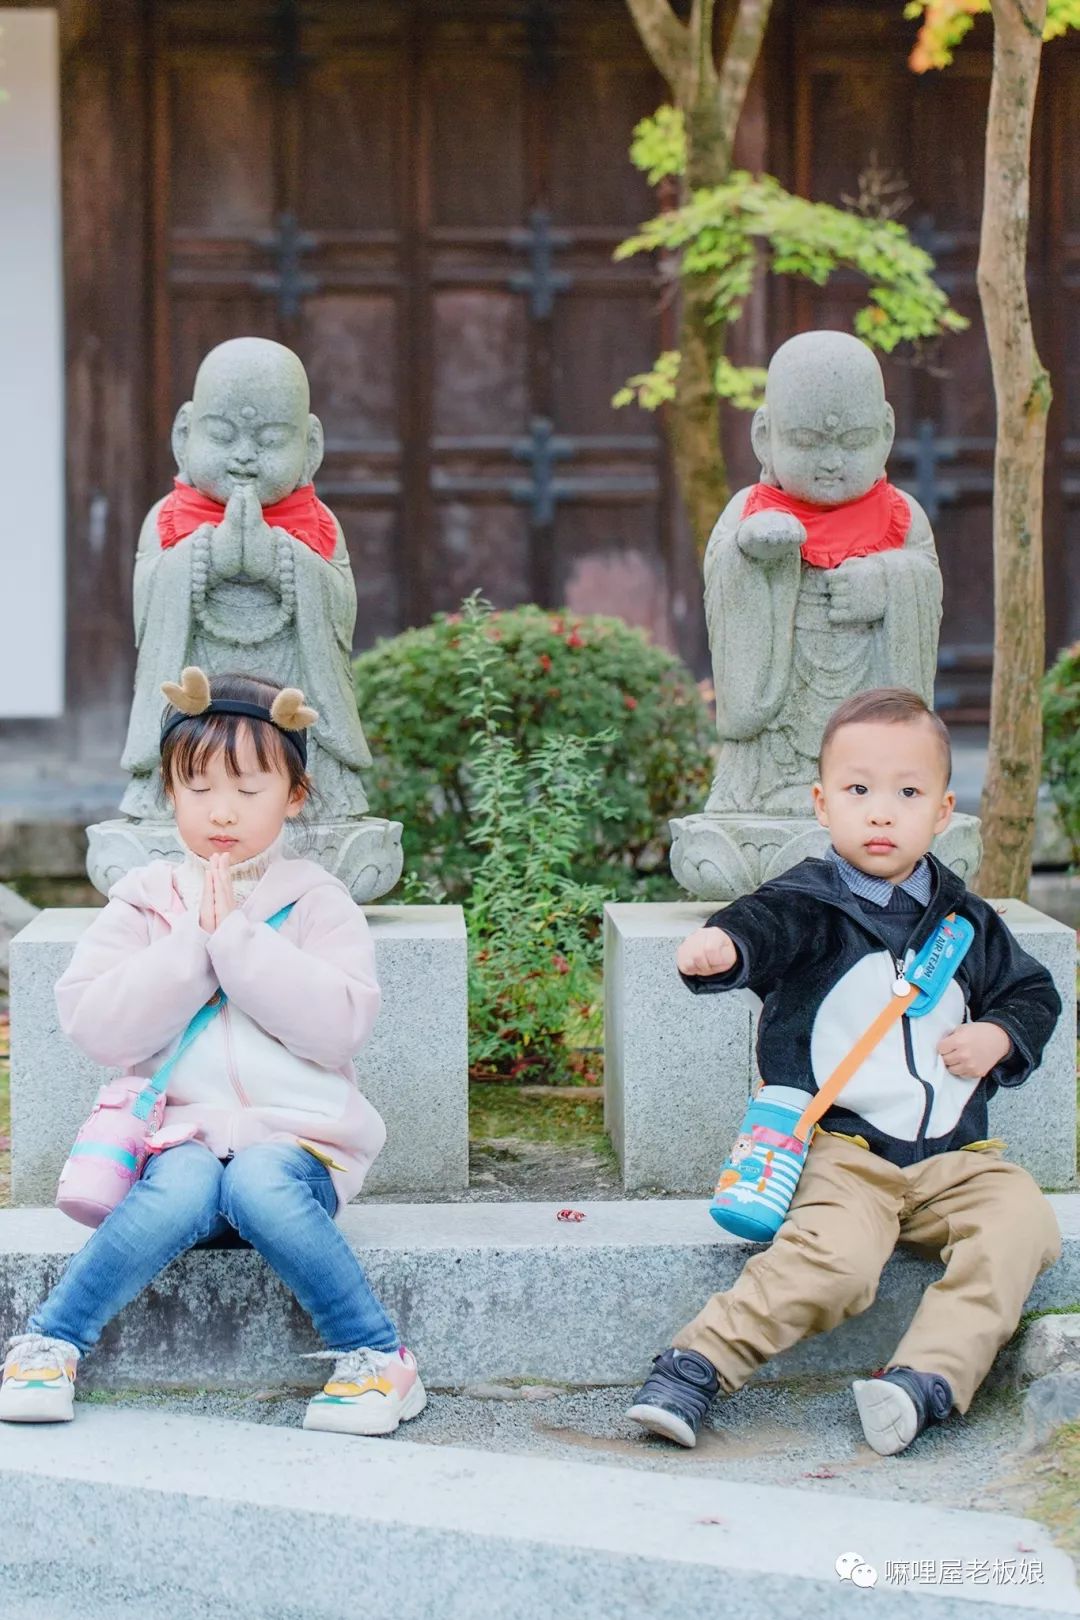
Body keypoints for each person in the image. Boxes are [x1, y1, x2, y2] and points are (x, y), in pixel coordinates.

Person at [629, 687, 1062, 1456]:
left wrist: (998, 1035)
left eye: (907, 792)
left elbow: (1033, 992)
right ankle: (697, 1364)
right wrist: (720, 950)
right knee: (835, 1261)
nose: (883, 812)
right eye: (859, 792)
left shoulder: (966, 921)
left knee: (1020, 1218)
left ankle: (924, 1380)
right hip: (843, 1153)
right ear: (823, 805)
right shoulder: (809, 903)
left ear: (943, 810)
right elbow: (756, 929)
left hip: (952, 1160)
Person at [1, 668, 424, 1438]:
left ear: (294, 795)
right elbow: (93, 1021)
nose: (220, 810)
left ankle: (377, 1356)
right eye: (196, 787)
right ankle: (50, 1342)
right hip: (176, 1145)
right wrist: (195, 940)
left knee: (258, 1179)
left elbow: (339, 1028)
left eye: (248, 788)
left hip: (298, 1154)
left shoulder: (319, 900)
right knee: (190, 1179)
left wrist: (239, 941)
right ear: (170, 791)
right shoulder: (145, 896)